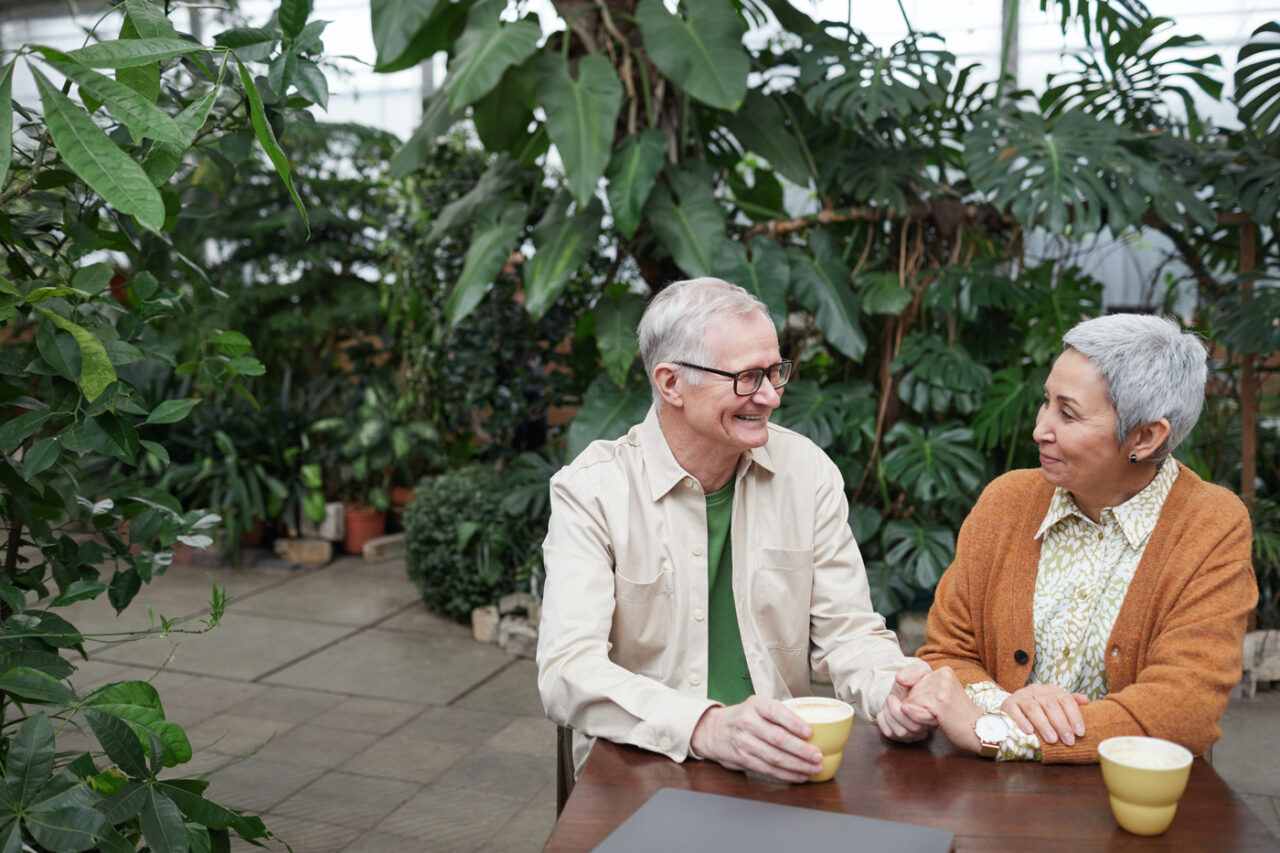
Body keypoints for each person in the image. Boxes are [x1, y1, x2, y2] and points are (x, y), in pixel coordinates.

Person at [536, 277, 934, 783]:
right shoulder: (592, 492)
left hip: (781, 764)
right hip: (641, 767)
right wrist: (706, 726)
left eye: (775, 372)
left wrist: (890, 690)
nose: (770, 396)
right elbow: (567, 670)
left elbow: (849, 634)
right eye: (747, 378)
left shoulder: (806, 472)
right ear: (671, 383)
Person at [896, 313, 1257, 763]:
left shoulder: (1210, 526)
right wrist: (1004, 702)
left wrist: (1002, 734)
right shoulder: (1006, 501)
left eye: (1067, 414)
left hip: (1132, 800)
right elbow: (947, 654)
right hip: (988, 797)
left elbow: (1183, 709)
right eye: (1046, 402)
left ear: (1145, 437)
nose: (1040, 429)